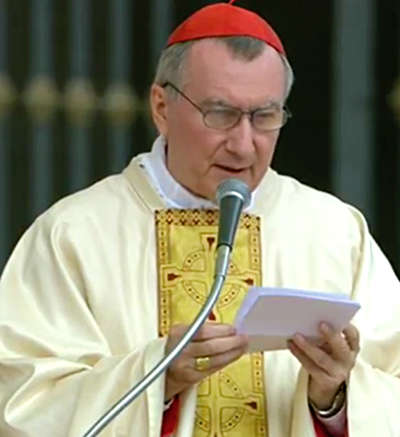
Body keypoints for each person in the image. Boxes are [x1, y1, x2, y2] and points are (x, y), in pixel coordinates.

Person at [0, 1, 399, 436]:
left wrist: (333, 397)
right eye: (221, 114)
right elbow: (20, 404)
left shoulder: (336, 233)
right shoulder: (74, 235)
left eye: (264, 117)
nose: (243, 145)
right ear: (161, 108)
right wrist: (160, 376)